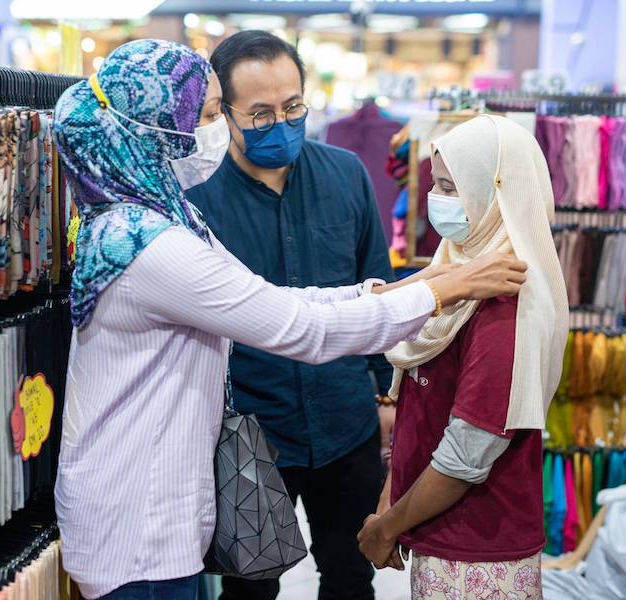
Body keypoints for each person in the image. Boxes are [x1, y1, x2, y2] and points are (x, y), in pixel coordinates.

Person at [52, 40, 527, 600]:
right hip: (142, 522)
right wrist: (446, 289)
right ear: (157, 130)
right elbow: (298, 328)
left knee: (347, 577)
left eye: (293, 107)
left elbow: (289, 299)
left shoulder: (158, 219)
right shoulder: (151, 245)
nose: (212, 133)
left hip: (260, 462)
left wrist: (412, 285)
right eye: (207, 117)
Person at [186, 30, 397, 600]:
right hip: (252, 429)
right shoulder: (197, 200)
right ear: (223, 113)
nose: (280, 122)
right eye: (259, 113)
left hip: (346, 421)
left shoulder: (346, 174)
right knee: (250, 588)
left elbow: (376, 286)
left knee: (352, 576)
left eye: (293, 106)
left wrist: (386, 397)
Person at [356, 115, 569, 600]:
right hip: (442, 534)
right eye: (436, 185)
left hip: (479, 551)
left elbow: (467, 453)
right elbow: (418, 403)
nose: (439, 200)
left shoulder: (507, 294)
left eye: (452, 187)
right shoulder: (457, 266)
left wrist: (387, 526)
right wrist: (393, 498)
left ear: (494, 190)